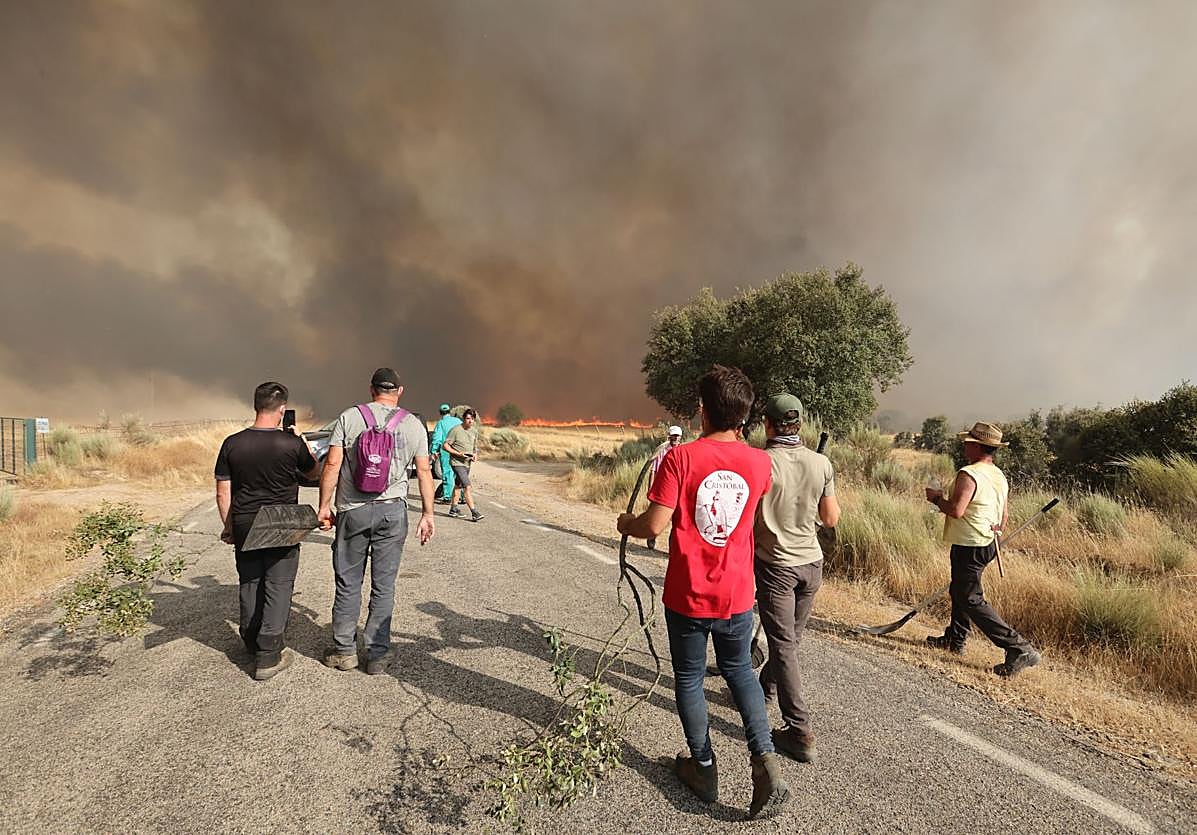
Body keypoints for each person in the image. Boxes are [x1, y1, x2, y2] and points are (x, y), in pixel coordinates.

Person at [617, 365, 789, 819]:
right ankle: (765, 758)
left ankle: (704, 767)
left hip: (689, 593)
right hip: (737, 593)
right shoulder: (761, 462)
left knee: (691, 678)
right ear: (745, 414)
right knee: (741, 673)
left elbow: (653, 524)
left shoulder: (681, 458)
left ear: (702, 410)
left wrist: (626, 525)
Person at [317, 368, 435, 675]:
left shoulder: (350, 417)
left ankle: (344, 651)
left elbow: (332, 464)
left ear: (371, 389)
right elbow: (424, 472)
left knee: (348, 582)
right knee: (384, 586)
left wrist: (324, 507)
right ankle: (377, 655)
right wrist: (427, 513)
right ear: (400, 391)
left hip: (353, 510)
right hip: (392, 511)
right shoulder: (412, 424)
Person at [752, 393, 839, 764]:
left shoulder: (759, 463)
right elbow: (831, 518)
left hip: (776, 566)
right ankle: (766, 688)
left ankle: (799, 730)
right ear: (798, 425)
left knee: (784, 644)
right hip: (812, 565)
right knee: (790, 640)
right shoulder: (822, 464)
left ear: (768, 425)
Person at [214, 381, 321, 681]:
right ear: (282, 409)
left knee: (250, 581)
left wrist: (229, 527)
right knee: (279, 583)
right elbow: (314, 472)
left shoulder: (232, 443)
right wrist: (303, 442)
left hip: (246, 521)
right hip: (281, 522)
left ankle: (250, 641)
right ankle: (269, 654)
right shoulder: (290, 443)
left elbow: (223, 492)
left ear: (255, 406)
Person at [925, 421, 1041, 677]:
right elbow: (1005, 513)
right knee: (960, 589)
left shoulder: (969, 473)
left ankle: (1018, 647)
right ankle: (954, 639)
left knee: (970, 597)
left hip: (970, 543)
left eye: (968, 441)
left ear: (977, 446)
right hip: (989, 541)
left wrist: (935, 499)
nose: (964, 443)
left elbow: (956, 511)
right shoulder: (998, 474)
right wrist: (996, 533)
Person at [646, 425, 684, 550]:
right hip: (662, 488)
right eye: (673, 435)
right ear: (669, 436)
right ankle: (651, 537)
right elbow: (654, 470)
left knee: (677, 519)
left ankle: (673, 547)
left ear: (680, 437)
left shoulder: (683, 452)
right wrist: (651, 487)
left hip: (677, 490)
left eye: (677, 436)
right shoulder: (662, 451)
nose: (675, 438)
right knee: (657, 515)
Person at [445, 408, 484, 522]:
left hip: (467, 463)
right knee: (467, 486)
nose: (470, 421)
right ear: (463, 419)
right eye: (468, 418)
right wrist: (457, 453)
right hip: (457, 463)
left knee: (458, 485)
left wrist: (475, 454)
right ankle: (474, 512)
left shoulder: (474, 432)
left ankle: (453, 509)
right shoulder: (456, 430)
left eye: (472, 419)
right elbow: (446, 445)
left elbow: (474, 447)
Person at [430, 404, 462, 503]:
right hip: (459, 450)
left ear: (440, 412)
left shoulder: (441, 423)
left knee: (448, 474)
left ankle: (448, 497)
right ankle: (461, 497)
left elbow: (437, 439)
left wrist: (433, 451)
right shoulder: (458, 421)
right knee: (459, 473)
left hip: (446, 451)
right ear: (449, 411)